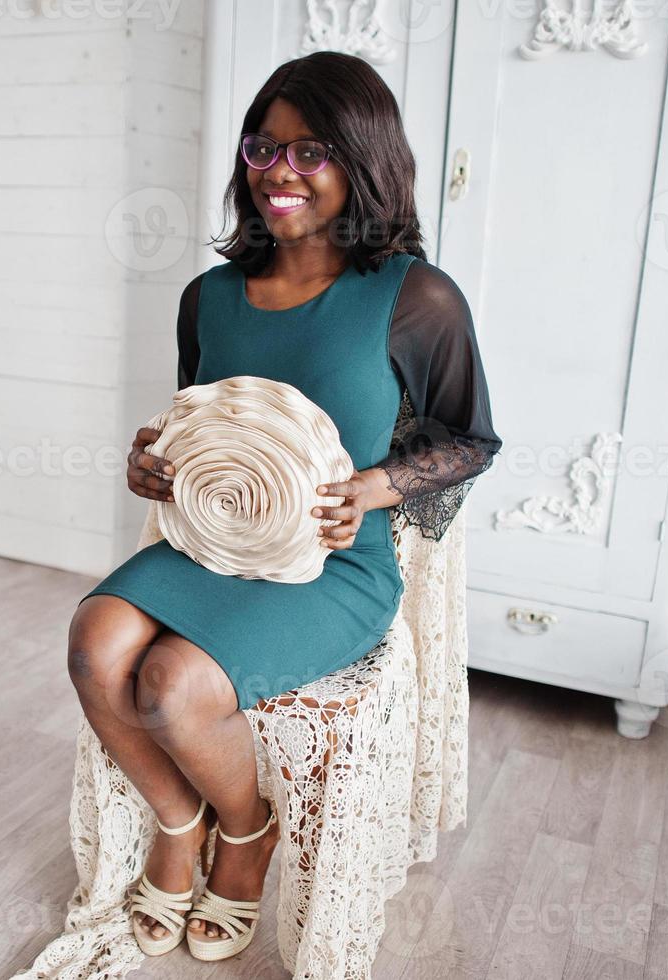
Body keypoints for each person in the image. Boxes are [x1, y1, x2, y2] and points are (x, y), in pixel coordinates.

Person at [67, 50, 503, 962]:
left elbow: (470, 440)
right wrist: (155, 463)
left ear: (364, 160)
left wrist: (375, 489)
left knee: (172, 687)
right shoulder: (208, 297)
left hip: (333, 564)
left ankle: (246, 831)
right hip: (211, 542)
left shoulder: (414, 298)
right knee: (94, 642)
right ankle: (180, 822)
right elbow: (201, 426)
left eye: (311, 153)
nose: (279, 174)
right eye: (263, 149)